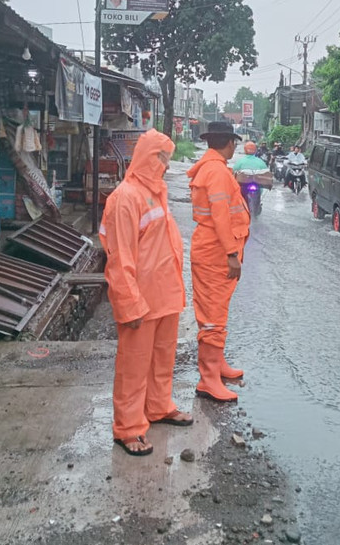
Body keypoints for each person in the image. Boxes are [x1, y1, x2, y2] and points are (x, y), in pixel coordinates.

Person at [99, 129, 192, 457]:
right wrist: (129, 303)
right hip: (141, 299)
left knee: (162, 360)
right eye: (161, 157)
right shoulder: (125, 197)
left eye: (167, 158)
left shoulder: (157, 191)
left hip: (165, 296)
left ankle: (158, 407)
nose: (165, 164)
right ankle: (128, 428)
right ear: (146, 157)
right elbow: (120, 257)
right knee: (134, 367)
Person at [188, 122, 251, 402]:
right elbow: (220, 215)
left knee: (218, 312)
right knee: (213, 316)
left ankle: (218, 365)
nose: (235, 147)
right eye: (234, 143)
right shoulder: (215, 171)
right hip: (216, 252)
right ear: (229, 143)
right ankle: (209, 379)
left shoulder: (214, 169)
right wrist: (230, 254)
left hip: (215, 249)